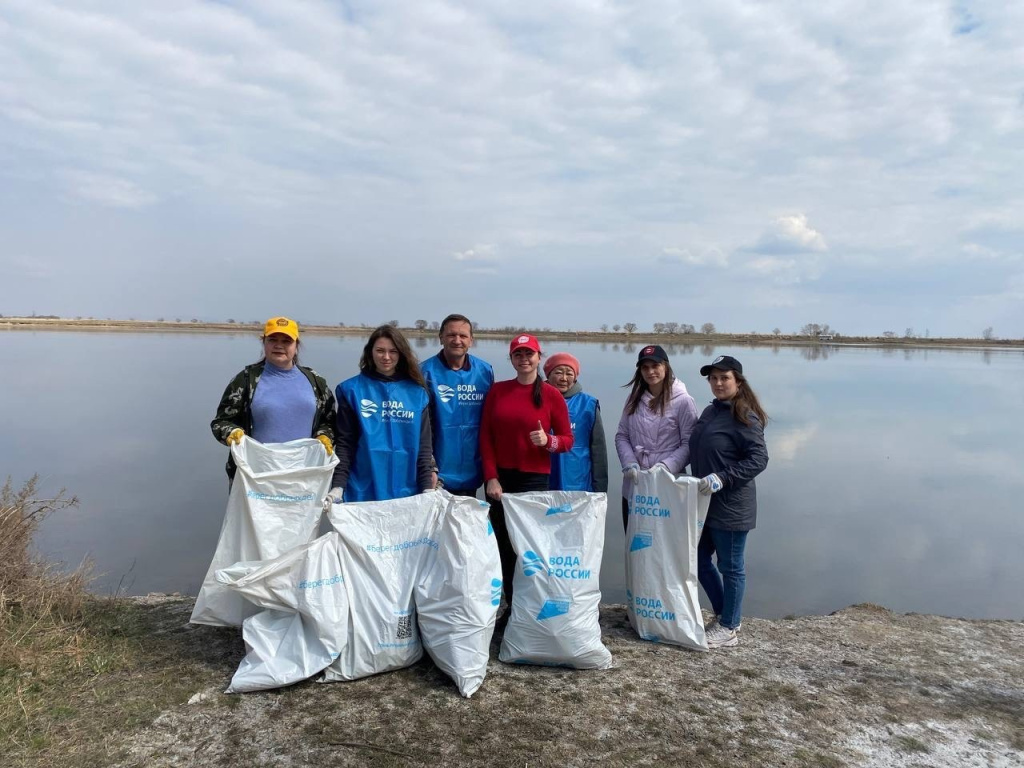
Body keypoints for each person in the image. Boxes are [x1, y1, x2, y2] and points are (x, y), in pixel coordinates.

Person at [480, 333, 574, 614]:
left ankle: (532, 604)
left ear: (538, 357)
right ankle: (510, 605)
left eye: (528, 354)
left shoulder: (551, 395)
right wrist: (491, 477)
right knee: (504, 545)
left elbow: (568, 440)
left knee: (530, 546)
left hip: (534, 479)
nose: (524, 359)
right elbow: (485, 437)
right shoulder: (498, 391)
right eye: (518, 355)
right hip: (502, 481)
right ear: (511, 359)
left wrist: (549, 441)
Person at [689, 355, 769, 650]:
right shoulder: (711, 412)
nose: (719, 383)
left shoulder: (744, 415)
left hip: (732, 506)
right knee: (696, 560)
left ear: (738, 381)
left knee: (731, 566)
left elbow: (759, 459)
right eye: (714, 378)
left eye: (725, 378)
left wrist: (723, 477)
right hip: (706, 504)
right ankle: (725, 612)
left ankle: (729, 628)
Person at [211, 316, 336, 481]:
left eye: (286, 341)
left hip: (304, 475)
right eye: (273, 340)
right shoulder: (245, 380)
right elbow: (220, 422)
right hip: (255, 477)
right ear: (264, 343)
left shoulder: (315, 381)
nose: (279, 345)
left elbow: (330, 421)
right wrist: (232, 432)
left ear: (296, 346)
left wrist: (324, 435)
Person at [328, 325, 434, 503]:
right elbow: (345, 444)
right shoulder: (351, 390)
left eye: (393, 351)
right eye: (380, 351)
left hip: (407, 488)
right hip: (363, 487)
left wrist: (427, 488)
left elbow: (424, 447)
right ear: (370, 352)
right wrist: (338, 486)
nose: (386, 357)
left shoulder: (417, 394)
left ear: (401, 354)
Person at [615, 344, 698, 531]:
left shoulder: (684, 401)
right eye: (645, 367)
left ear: (666, 366)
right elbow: (622, 435)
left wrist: (665, 467)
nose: (650, 371)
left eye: (655, 366)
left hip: (669, 482)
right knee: (635, 542)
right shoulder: (633, 398)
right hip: (635, 482)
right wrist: (629, 463)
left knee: (666, 545)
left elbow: (690, 443)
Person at [420, 314, 494, 497]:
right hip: (438, 468)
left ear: (471, 340)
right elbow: (421, 426)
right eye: (451, 335)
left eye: (463, 336)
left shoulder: (485, 371)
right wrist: (429, 465)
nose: (457, 340)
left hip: (473, 465)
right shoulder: (424, 372)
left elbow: (491, 419)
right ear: (441, 338)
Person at [543, 352, 608, 493]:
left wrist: (601, 490)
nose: (564, 378)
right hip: (542, 478)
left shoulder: (588, 404)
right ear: (548, 374)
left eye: (569, 373)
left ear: (575, 376)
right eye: (558, 372)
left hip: (577, 480)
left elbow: (598, 449)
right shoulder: (536, 399)